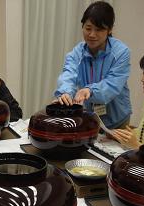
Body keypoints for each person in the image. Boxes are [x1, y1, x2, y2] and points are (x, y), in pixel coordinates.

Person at [54, 1, 132, 129]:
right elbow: (68, 74)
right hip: (91, 117)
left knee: (118, 149)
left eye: (99, 29)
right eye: (88, 28)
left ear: (110, 29)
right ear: (82, 26)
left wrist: (90, 90)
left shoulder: (121, 52)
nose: (92, 34)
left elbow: (112, 84)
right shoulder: (77, 53)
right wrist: (65, 93)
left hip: (118, 120)